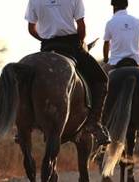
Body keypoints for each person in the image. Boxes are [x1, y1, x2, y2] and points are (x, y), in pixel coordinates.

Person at [25, 0, 111, 145]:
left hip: (47, 46)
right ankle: (94, 123)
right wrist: (80, 42)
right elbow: (81, 26)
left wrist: (45, 38)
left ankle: (28, 122)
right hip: (71, 45)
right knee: (101, 79)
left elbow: (31, 29)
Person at [104, 0, 139, 115]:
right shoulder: (137, 21)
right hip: (135, 62)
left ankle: (96, 116)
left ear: (113, 6)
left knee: (99, 82)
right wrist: (137, 56)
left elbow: (106, 44)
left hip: (115, 62)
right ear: (126, 5)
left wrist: (106, 60)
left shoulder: (110, 22)